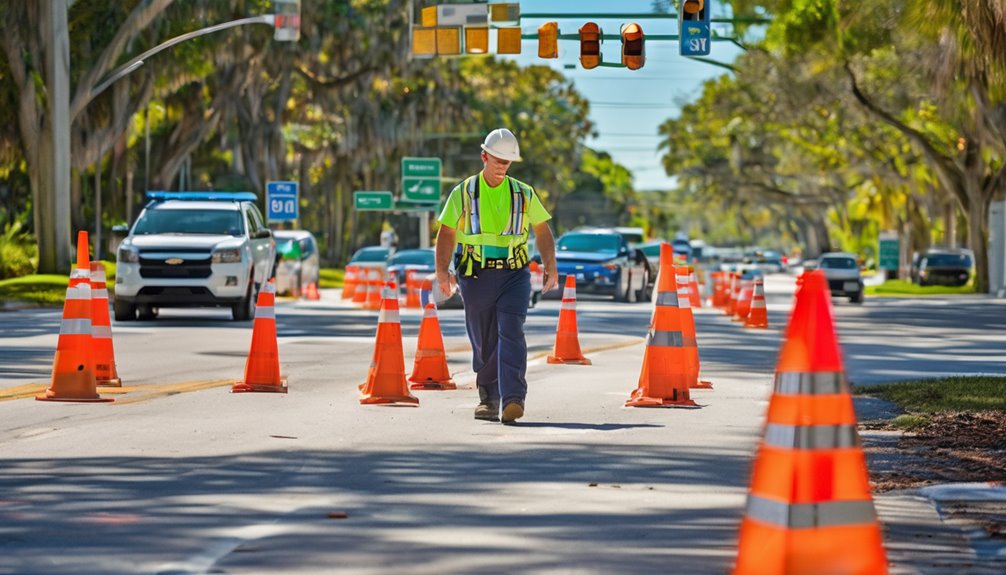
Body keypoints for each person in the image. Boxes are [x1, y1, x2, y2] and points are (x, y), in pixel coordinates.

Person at [435, 128, 558, 424]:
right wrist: (442, 271)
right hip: (474, 276)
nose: (502, 165)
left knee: (511, 331)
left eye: (507, 161)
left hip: (515, 275)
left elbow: (542, 229)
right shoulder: (463, 192)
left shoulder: (523, 192)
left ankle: (513, 398)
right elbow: (447, 232)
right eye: (498, 159)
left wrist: (550, 265)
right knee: (484, 340)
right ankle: (489, 399)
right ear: (484, 156)